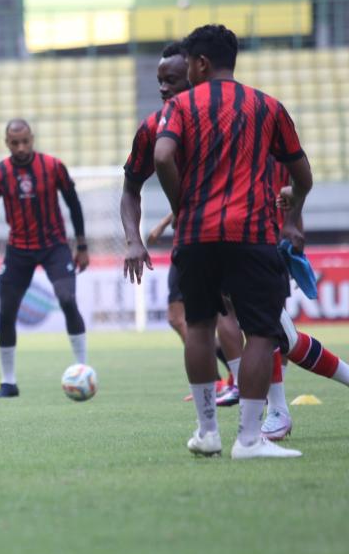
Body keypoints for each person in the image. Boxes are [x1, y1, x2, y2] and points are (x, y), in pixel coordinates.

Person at [154, 24, 311, 459]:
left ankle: (207, 431)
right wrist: (292, 210)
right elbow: (303, 176)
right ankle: (248, 439)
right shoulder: (267, 106)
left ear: (200, 63)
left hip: (196, 234)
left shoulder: (181, 106)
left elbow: (163, 156)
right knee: (261, 332)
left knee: (199, 325)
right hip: (252, 234)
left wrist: (181, 202)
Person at [119, 42, 242, 404]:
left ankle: (249, 389)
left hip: (233, 233)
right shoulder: (151, 128)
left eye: (170, 79)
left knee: (237, 317)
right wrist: (134, 239)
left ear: (194, 73)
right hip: (190, 240)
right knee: (190, 317)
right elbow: (130, 189)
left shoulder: (224, 120)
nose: (162, 87)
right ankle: (228, 391)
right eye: (159, 80)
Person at [0, 119, 89, 398]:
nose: (21, 147)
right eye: (14, 143)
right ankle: (8, 382)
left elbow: (74, 204)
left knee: (68, 300)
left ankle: (82, 369)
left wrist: (82, 245)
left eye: (25, 141)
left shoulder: (53, 166)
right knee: (6, 312)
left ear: (32, 138)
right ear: (6, 143)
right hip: (19, 249)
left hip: (55, 246)